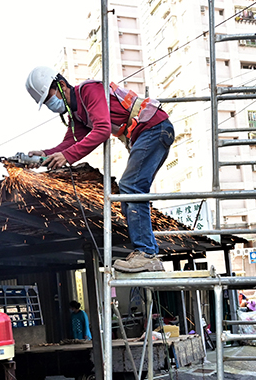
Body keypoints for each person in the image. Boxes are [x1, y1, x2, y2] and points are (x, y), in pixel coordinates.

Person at [22, 66, 174, 273]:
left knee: (131, 188)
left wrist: (66, 157)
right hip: (146, 134)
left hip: (154, 128)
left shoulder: (89, 90)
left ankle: (146, 253)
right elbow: (69, 143)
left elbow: (102, 130)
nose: (51, 104)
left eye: (49, 98)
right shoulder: (77, 114)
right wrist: (42, 156)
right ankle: (145, 252)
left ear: (62, 85)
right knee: (129, 196)